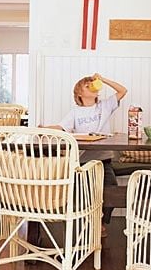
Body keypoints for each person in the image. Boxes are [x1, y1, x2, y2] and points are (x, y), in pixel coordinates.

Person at [42, 73, 128, 236]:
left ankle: (101, 222)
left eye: (93, 85)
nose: (93, 87)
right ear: (79, 93)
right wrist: (43, 128)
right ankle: (85, 222)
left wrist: (103, 80)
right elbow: (61, 127)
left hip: (104, 160)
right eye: (87, 86)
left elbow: (123, 90)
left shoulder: (104, 106)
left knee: (112, 190)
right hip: (83, 162)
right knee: (82, 194)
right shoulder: (75, 112)